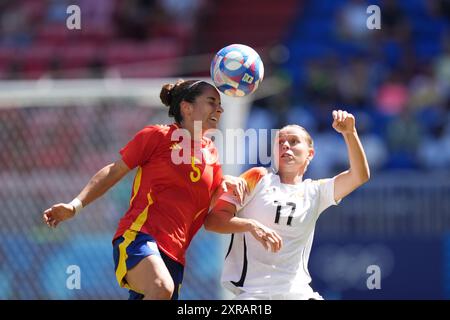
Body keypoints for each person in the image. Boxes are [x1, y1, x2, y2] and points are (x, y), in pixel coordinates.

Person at [42, 79, 248, 300]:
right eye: (211, 101)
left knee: (161, 291)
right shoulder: (158, 136)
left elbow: (208, 210)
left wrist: (227, 187)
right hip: (139, 237)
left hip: (176, 256)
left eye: (220, 103)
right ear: (186, 107)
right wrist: (75, 206)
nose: (219, 108)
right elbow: (114, 170)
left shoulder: (212, 155)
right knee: (161, 287)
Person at [204, 109, 370, 300]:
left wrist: (350, 133)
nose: (285, 146)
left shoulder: (316, 192)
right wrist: (251, 226)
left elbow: (359, 176)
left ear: (310, 153)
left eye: (293, 141)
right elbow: (214, 221)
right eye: (280, 142)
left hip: (298, 292)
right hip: (252, 294)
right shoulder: (257, 177)